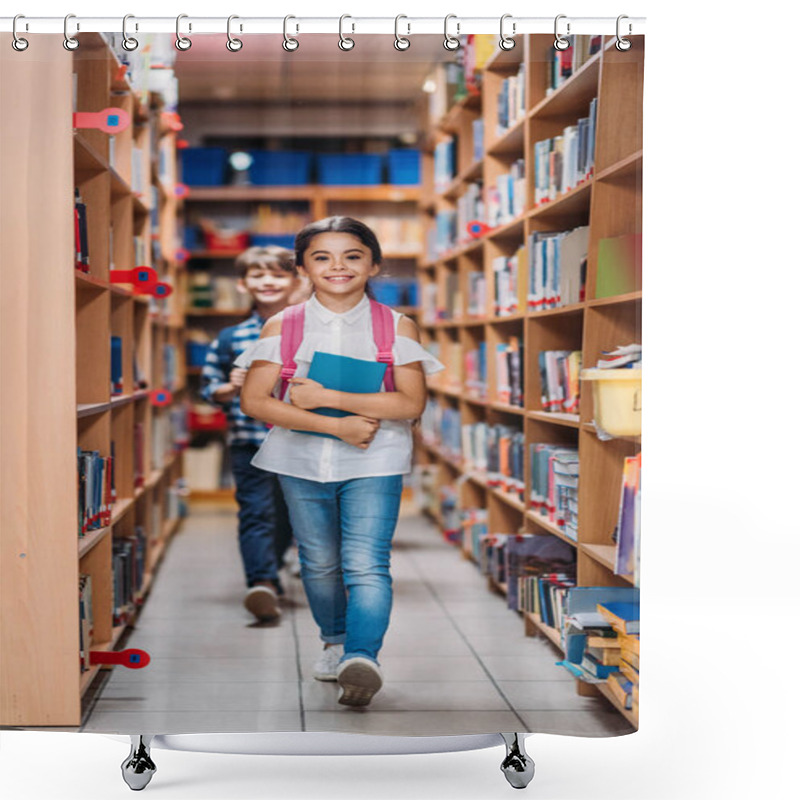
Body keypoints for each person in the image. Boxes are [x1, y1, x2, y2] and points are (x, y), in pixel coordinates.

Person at [237, 216, 444, 707]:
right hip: (300, 461)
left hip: (376, 459)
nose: (338, 267)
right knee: (320, 561)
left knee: (367, 564)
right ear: (302, 267)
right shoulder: (281, 325)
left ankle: (362, 656)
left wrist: (328, 397)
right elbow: (257, 401)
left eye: (352, 256)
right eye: (321, 257)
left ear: (373, 264)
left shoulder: (395, 327)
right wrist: (336, 425)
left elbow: (410, 403)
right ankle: (334, 641)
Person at [201, 246, 308, 623]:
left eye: (278, 275)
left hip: (302, 439)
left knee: (287, 513)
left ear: (296, 282)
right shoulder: (231, 338)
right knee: (256, 511)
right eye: (258, 276)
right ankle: (261, 581)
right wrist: (229, 388)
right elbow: (208, 386)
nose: (268, 282)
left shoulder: (312, 330)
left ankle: (275, 566)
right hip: (250, 440)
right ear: (243, 284)